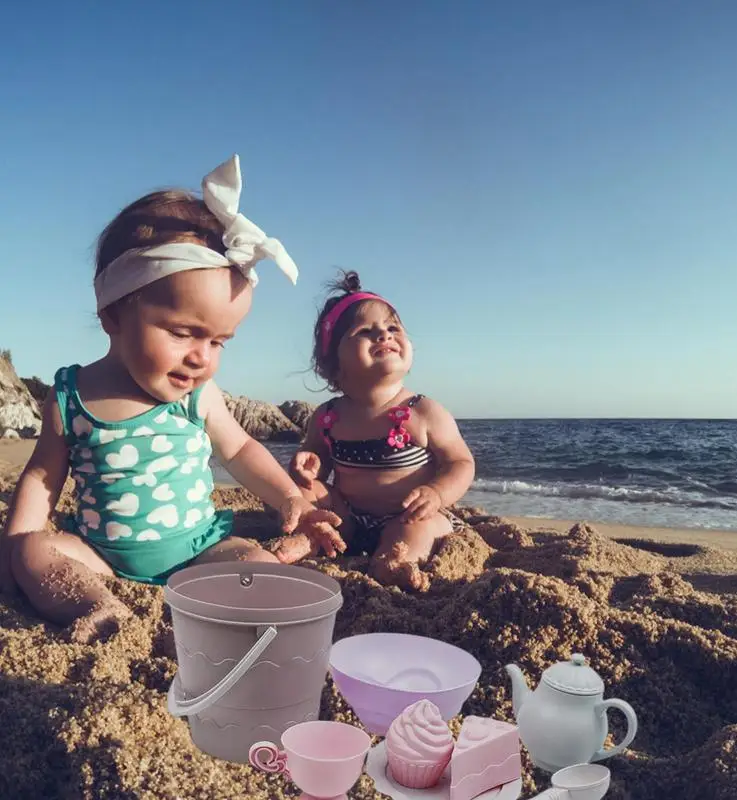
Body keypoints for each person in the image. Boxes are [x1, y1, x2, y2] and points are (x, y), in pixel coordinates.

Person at [0, 155, 344, 643]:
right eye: (184, 333)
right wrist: (15, 544)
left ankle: (219, 606)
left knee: (256, 563)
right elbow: (41, 476)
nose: (201, 357)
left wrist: (290, 497)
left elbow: (241, 451)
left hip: (199, 553)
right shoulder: (70, 397)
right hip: (99, 559)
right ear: (114, 315)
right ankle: (100, 605)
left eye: (219, 341)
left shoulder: (197, 395)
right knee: (34, 553)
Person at [275, 271, 475, 590]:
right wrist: (307, 466)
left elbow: (460, 463)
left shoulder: (423, 411)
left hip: (409, 514)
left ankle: (394, 563)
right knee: (302, 492)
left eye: (393, 328)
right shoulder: (327, 416)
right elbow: (317, 464)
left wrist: (437, 494)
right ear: (333, 363)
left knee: (415, 530)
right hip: (350, 518)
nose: (384, 335)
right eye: (366, 331)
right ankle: (311, 538)